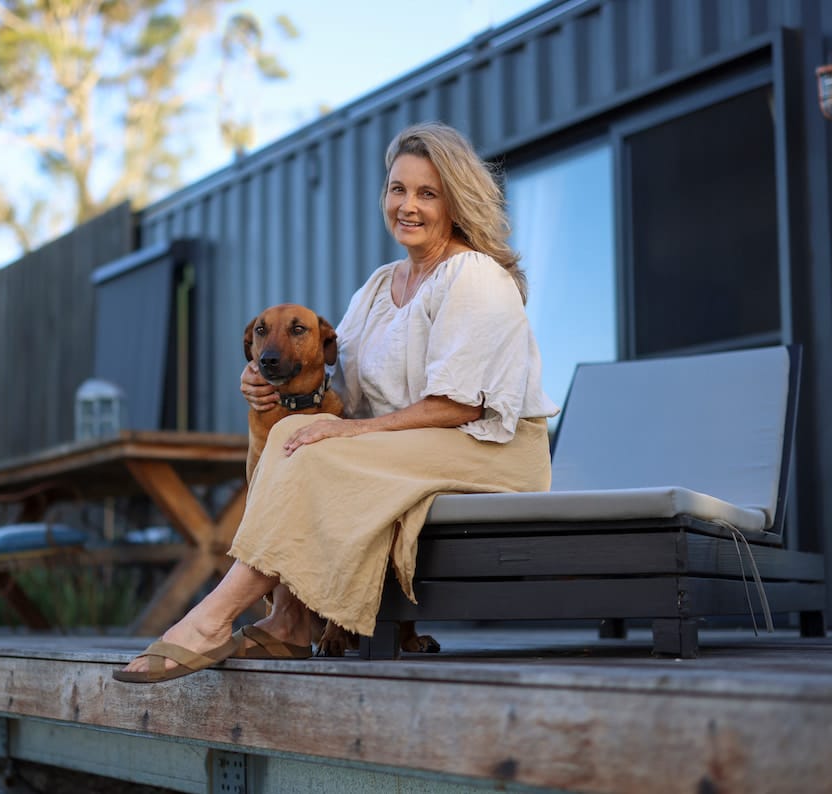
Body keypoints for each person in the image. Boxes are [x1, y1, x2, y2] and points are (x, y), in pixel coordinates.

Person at [115, 121, 559, 683]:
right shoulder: (378, 288)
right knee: (284, 433)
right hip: (409, 447)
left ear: (455, 201)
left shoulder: (473, 275)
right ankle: (287, 619)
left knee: (320, 445)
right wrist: (262, 387)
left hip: (488, 451)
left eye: (428, 192)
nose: (408, 206)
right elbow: (337, 385)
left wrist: (349, 432)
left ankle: (211, 619)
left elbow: (460, 407)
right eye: (398, 189)